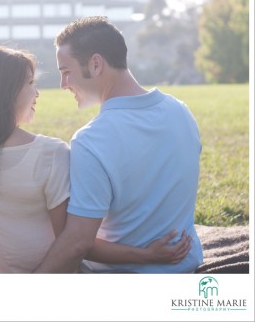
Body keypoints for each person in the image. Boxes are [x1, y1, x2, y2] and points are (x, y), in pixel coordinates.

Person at [0, 45, 190, 273]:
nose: (37, 93)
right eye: (30, 83)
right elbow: (73, 243)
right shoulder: (49, 154)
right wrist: (146, 255)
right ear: (5, 93)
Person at [34, 16, 203, 273]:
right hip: (184, 269)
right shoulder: (181, 111)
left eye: (66, 72)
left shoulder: (91, 140)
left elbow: (78, 243)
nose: (63, 85)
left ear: (96, 64)